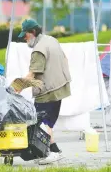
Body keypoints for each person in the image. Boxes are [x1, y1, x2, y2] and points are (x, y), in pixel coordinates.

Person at [18, 19, 71, 165]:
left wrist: (15, 88)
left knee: (41, 123)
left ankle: (54, 152)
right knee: (47, 122)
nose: (24, 38)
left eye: (26, 35)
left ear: (33, 32)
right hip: (60, 87)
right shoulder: (51, 40)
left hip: (48, 90)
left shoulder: (38, 50)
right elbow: (65, 59)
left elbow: (32, 74)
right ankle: (54, 151)